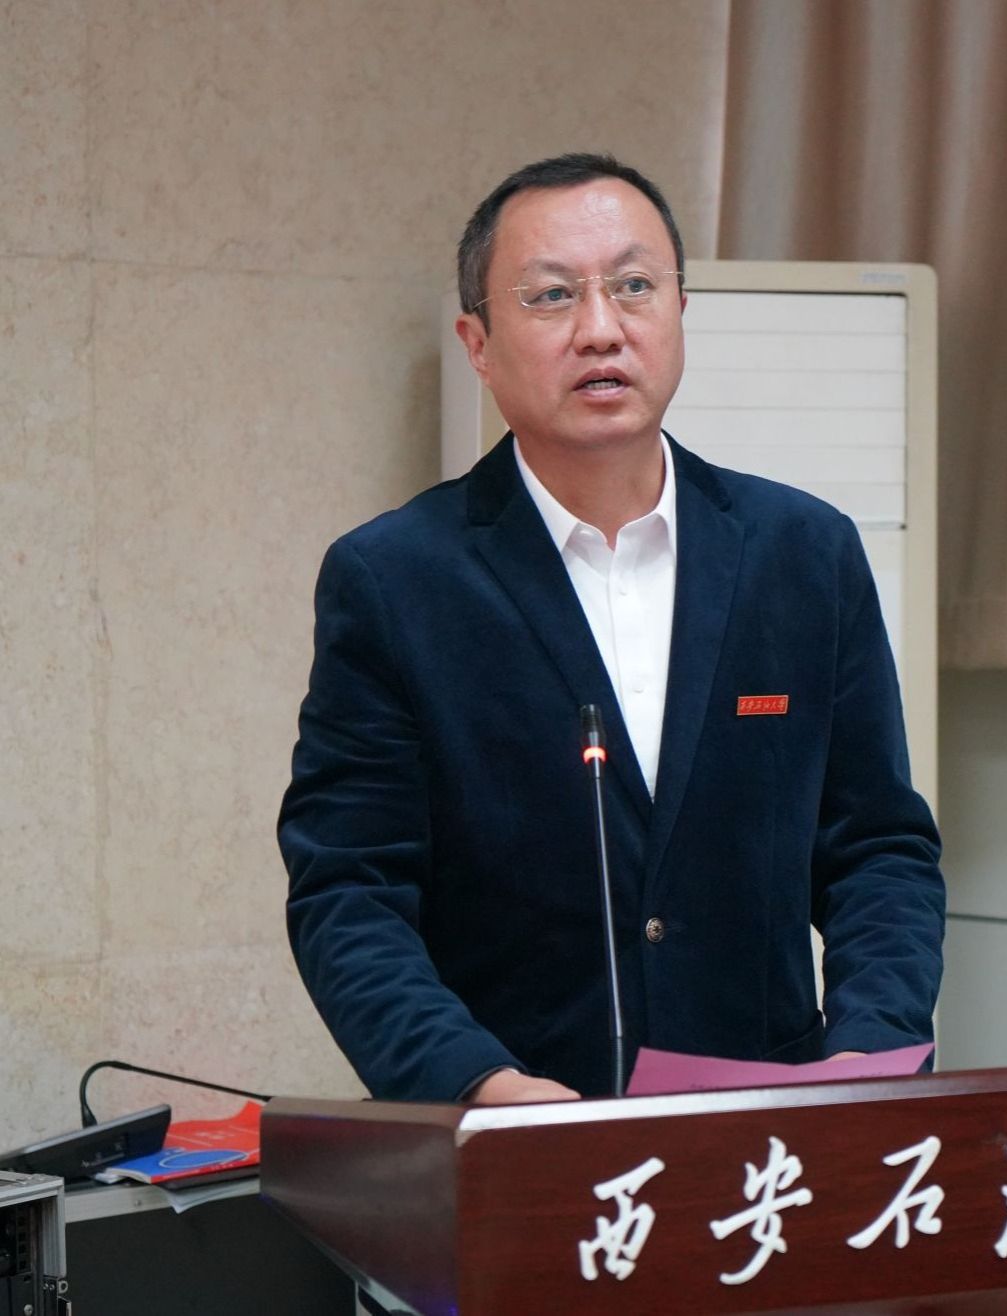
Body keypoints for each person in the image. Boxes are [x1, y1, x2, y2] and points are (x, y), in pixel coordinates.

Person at [279, 153, 945, 1106]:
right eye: (552, 296)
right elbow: (349, 892)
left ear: (680, 312)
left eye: (635, 286)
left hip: (768, 1136)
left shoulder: (803, 553)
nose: (602, 328)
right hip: (520, 1134)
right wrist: (478, 1082)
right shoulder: (396, 580)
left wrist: (867, 1051)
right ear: (478, 343)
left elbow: (877, 849)